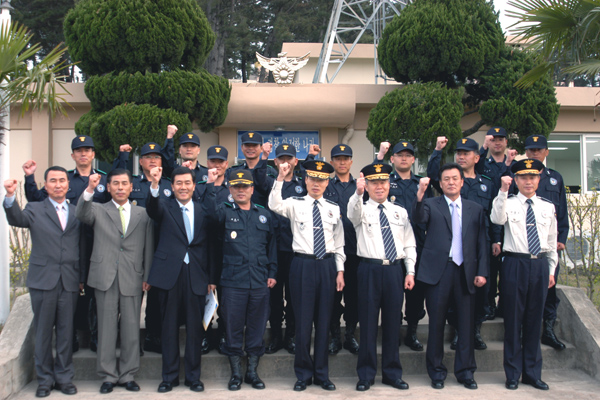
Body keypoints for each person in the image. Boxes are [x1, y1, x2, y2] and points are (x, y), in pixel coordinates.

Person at [23, 135, 110, 354]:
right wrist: (29, 178)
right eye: (79, 150)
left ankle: (94, 336)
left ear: (93, 154)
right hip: (70, 245)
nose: (83, 153)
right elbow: (37, 199)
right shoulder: (64, 180)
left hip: (97, 245)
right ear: (73, 155)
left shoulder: (102, 180)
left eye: (87, 150)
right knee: (72, 293)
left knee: (95, 293)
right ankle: (70, 336)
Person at [3, 167, 82, 397]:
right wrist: (9, 196)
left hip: (69, 281)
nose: (58, 184)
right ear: (45, 186)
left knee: (66, 334)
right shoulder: (35, 208)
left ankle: (65, 378)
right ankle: (45, 380)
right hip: (43, 280)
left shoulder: (77, 212)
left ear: (68, 185)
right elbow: (16, 219)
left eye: (62, 181)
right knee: (44, 333)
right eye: (52, 181)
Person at [75, 169, 154, 394]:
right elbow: (81, 213)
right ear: (108, 187)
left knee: (131, 328)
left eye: (124, 184)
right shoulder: (98, 210)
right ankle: (108, 375)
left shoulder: (143, 213)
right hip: (104, 277)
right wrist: (89, 189)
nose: (120, 188)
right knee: (106, 329)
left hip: (133, 276)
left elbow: (148, 246)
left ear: (131, 187)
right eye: (115, 184)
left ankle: (128, 374)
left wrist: (147, 275)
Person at [268, 160, 345, 391]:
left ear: (327, 182)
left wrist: (340, 270)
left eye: (321, 179)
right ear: (306, 180)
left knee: (324, 321)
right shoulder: (294, 203)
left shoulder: (334, 208)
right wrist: (280, 177)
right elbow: (274, 205)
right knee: (302, 322)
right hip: (301, 265)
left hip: (327, 266)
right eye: (312, 178)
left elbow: (339, 243)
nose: (316, 183)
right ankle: (303, 374)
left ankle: (322, 374)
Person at [412, 163, 488, 390]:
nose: (451, 182)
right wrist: (419, 196)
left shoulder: (475, 208)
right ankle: (436, 372)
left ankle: (465, 371)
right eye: (446, 179)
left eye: (455, 178)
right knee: (436, 324)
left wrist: (482, 271)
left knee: (465, 324)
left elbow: (482, 242)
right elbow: (418, 219)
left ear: (462, 182)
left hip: (465, 272)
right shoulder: (430, 204)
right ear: (441, 183)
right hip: (439, 272)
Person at [146, 166, 217, 393]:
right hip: (169, 275)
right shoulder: (164, 207)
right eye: (179, 183)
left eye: (187, 183)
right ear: (173, 186)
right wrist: (155, 185)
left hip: (196, 275)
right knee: (168, 328)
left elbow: (210, 248)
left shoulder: (203, 211)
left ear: (194, 186)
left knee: (196, 330)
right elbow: (152, 208)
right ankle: (169, 377)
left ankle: (193, 378)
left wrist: (212, 278)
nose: (183, 187)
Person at [205, 169, 277, 390]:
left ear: (252, 189)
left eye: (245, 186)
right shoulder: (223, 213)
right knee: (232, 328)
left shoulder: (264, 214)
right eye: (236, 187)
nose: (241, 190)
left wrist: (272, 272)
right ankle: (236, 374)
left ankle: (252, 373)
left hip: (259, 280)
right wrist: (211, 186)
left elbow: (271, 246)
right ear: (230, 189)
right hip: (232, 281)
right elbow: (208, 220)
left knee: (256, 328)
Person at [428, 137, 501, 351]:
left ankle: (474, 330)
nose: (461, 156)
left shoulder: (487, 182)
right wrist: (437, 152)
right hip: (454, 246)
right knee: (454, 292)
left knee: (480, 291)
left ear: (477, 157)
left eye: (466, 153)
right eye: (458, 153)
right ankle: (458, 331)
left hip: (481, 243)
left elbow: (495, 213)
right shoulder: (451, 182)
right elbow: (434, 175)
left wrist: (496, 239)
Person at [348, 163, 416, 391]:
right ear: (366, 185)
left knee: (392, 323)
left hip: (394, 271)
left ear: (389, 184)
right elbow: (351, 212)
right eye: (374, 182)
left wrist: (410, 271)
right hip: (369, 270)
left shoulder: (400, 211)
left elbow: (409, 243)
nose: (379, 186)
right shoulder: (361, 208)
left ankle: (392, 373)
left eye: (383, 182)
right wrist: (357, 193)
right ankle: (366, 375)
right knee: (367, 323)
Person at [491, 159, 557, 391]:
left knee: (533, 321)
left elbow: (550, 241)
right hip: (514, 263)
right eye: (523, 178)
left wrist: (550, 270)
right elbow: (497, 220)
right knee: (513, 320)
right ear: (516, 180)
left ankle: (532, 373)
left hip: (538, 265)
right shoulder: (507, 202)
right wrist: (502, 190)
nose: (528, 182)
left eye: (532, 177)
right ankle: (512, 373)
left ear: (539, 180)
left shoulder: (547, 206)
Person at [113, 141, 172, 354]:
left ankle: (153, 337)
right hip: (135, 246)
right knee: (131, 296)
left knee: (156, 297)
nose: (153, 160)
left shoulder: (168, 184)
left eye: (157, 157)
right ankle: (129, 340)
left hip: (161, 246)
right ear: (141, 161)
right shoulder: (133, 184)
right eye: (148, 157)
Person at [375, 141, 430, 351]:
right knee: (393, 293)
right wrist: (379, 156)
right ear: (393, 159)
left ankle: (412, 331)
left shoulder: (422, 184)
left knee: (415, 294)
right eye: (400, 155)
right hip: (393, 246)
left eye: (408, 155)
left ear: (414, 160)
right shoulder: (387, 183)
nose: (404, 158)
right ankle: (393, 330)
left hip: (418, 244)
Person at [305, 144, 360, 355]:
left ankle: (350, 336)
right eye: (338, 158)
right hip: (329, 250)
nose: (342, 162)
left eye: (346, 158)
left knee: (353, 297)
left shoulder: (359, 186)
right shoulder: (325, 185)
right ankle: (334, 336)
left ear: (351, 162)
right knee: (332, 298)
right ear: (333, 162)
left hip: (355, 251)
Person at [253, 143, 306, 355]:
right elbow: (257, 176)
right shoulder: (270, 182)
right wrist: (263, 156)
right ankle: (275, 335)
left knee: (293, 296)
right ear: (275, 162)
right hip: (273, 248)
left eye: (289, 159)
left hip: (295, 248)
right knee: (273, 296)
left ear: (295, 161)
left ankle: (290, 336)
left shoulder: (302, 185)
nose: (285, 163)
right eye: (281, 159)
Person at [520, 134, 568, 351]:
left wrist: (562, 239)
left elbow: (562, 214)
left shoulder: (555, 178)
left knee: (549, 288)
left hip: (547, 247)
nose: (534, 153)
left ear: (546, 152)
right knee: (524, 291)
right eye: (530, 149)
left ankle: (548, 330)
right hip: (523, 248)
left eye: (538, 149)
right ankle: (523, 330)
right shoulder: (520, 176)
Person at [475, 127, 518, 320]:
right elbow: (473, 165)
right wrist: (482, 147)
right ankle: (490, 305)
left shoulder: (515, 166)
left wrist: (509, 164)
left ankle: (505, 305)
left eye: (501, 139)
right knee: (491, 268)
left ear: (506, 142)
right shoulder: (483, 164)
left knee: (508, 270)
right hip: (489, 221)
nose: (497, 143)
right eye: (493, 140)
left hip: (511, 222)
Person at [229, 131, 277, 207]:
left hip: (264, 215)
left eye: (254, 145)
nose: (250, 148)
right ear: (242, 148)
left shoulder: (271, 172)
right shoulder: (233, 171)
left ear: (261, 148)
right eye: (247, 145)